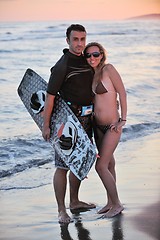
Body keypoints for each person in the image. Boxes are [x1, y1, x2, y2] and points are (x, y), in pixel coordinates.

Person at [42, 24, 96, 224]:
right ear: (68, 40)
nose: (80, 43)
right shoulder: (62, 65)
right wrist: (46, 125)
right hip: (67, 122)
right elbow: (50, 98)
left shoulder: (86, 60)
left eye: (83, 39)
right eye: (75, 39)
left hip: (87, 119)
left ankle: (74, 201)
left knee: (78, 162)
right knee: (62, 166)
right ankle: (61, 210)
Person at [84, 42, 127, 218]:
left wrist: (122, 120)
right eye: (88, 55)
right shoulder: (93, 74)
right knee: (109, 164)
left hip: (111, 126)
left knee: (100, 166)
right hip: (97, 126)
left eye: (95, 54)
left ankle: (117, 204)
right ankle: (110, 202)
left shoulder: (108, 69)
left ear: (101, 54)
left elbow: (122, 93)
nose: (92, 58)